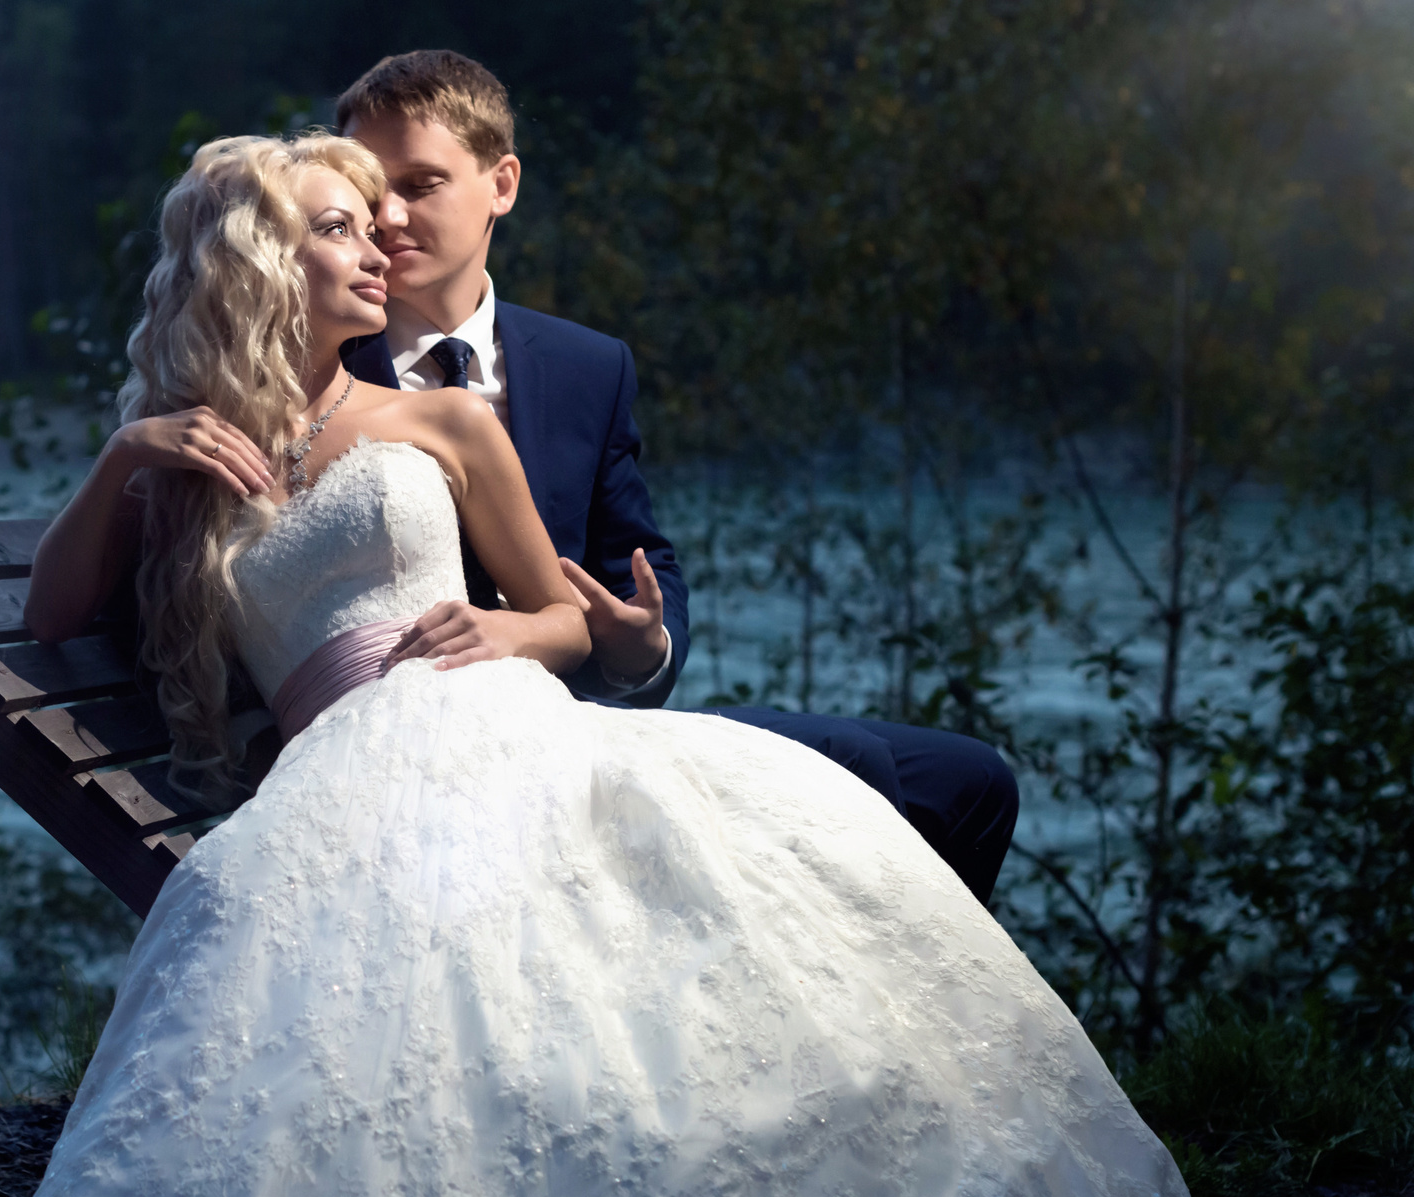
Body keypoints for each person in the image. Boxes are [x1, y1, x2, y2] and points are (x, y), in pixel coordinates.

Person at [0, 134, 1354, 1197]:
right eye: (336, 228)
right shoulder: (191, 458)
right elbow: (51, 610)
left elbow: (570, 617)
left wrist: (509, 628)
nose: (375, 248)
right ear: (257, 261)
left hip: (493, 722)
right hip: (342, 778)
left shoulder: (443, 418)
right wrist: (132, 451)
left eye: (374, 222)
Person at [333, 50, 1020, 905]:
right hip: (427, 752)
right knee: (857, 766)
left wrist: (641, 647)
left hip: (586, 714)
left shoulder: (588, 366)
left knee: (969, 780)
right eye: (371, 192)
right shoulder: (318, 363)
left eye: (421, 184)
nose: (388, 216)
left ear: (501, 184)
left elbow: (641, 564)